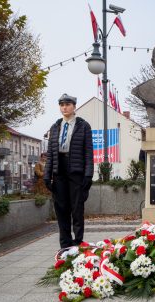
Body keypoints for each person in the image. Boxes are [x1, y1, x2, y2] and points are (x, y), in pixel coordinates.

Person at [44, 93, 94, 248]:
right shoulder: (55, 126)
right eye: (61, 105)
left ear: (74, 106)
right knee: (61, 208)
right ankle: (65, 243)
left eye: (67, 104)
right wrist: (47, 175)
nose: (64, 107)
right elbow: (50, 154)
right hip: (59, 171)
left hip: (76, 171)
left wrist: (88, 175)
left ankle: (78, 242)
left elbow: (88, 153)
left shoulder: (83, 126)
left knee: (77, 208)